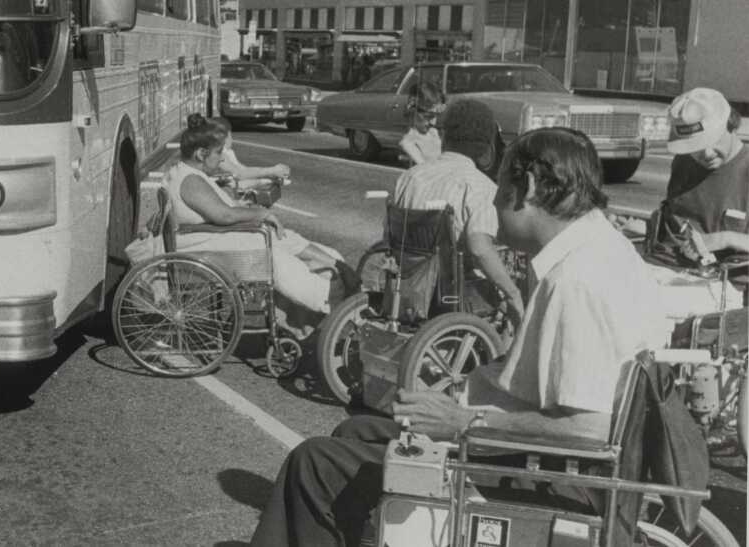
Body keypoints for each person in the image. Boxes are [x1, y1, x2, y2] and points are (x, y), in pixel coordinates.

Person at [249, 127, 669, 547]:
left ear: (528, 188)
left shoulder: (577, 281)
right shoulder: (600, 249)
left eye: (500, 188)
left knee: (314, 464)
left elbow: (590, 428)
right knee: (354, 434)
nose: (494, 202)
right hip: (543, 459)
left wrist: (462, 420)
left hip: (548, 477)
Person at [164, 114, 358, 316]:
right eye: (219, 152)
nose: (222, 158)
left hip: (207, 240)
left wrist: (249, 211)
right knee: (275, 257)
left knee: (281, 240)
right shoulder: (191, 181)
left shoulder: (183, 172)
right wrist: (260, 213)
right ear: (201, 154)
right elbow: (224, 216)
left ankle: (334, 271)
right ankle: (330, 297)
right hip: (205, 247)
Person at [393, 99, 524, 329]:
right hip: (455, 296)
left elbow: (389, 234)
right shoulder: (480, 187)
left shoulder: (409, 177)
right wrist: (512, 293)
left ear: (445, 138)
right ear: (486, 147)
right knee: (513, 287)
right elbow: (479, 248)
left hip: (405, 287)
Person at [663, 88, 748, 280]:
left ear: (731, 126)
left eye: (714, 141)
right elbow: (674, 221)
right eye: (696, 147)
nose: (707, 154)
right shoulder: (682, 163)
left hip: (731, 287)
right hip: (675, 272)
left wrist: (724, 239)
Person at [397, 81, 445, 166]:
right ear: (412, 111)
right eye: (428, 116)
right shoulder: (408, 143)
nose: (433, 123)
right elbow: (425, 171)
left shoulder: (434, 133)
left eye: (436, 116)